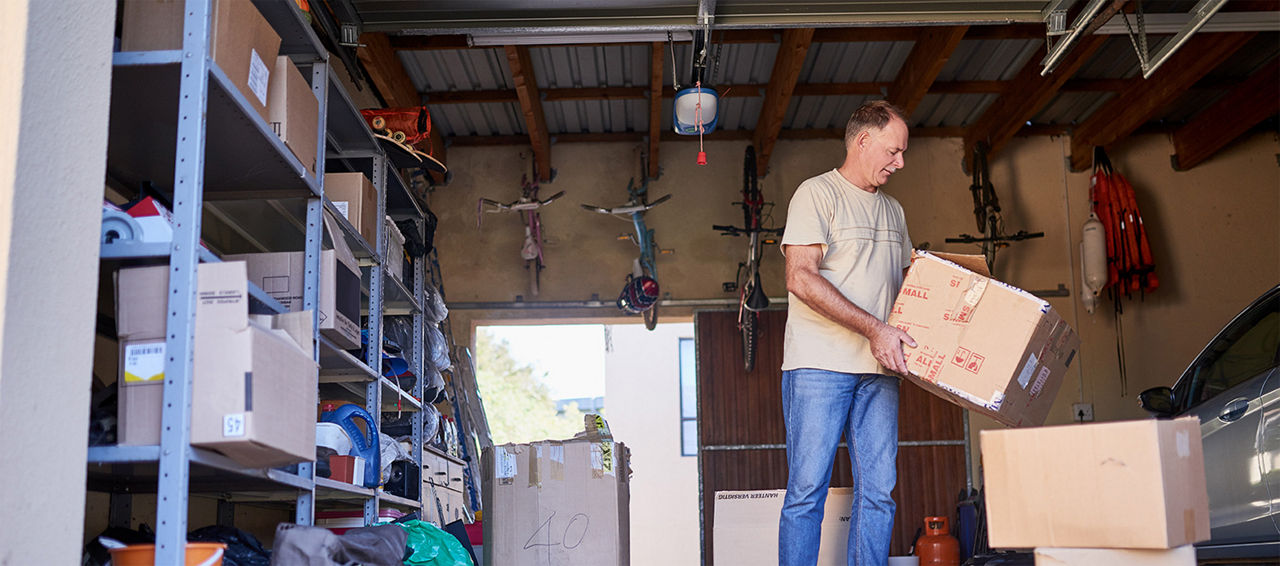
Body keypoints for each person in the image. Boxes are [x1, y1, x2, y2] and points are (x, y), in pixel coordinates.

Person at [777, 100, 915, 566]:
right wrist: (875, 328)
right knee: (807, 492)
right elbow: (800, 277)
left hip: (880, 369)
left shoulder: (894, 211)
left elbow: (910, 289)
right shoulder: (816, 195)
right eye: (893, 151)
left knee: (879, 494)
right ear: (863, 141)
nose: (900, 162)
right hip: (819, 365)